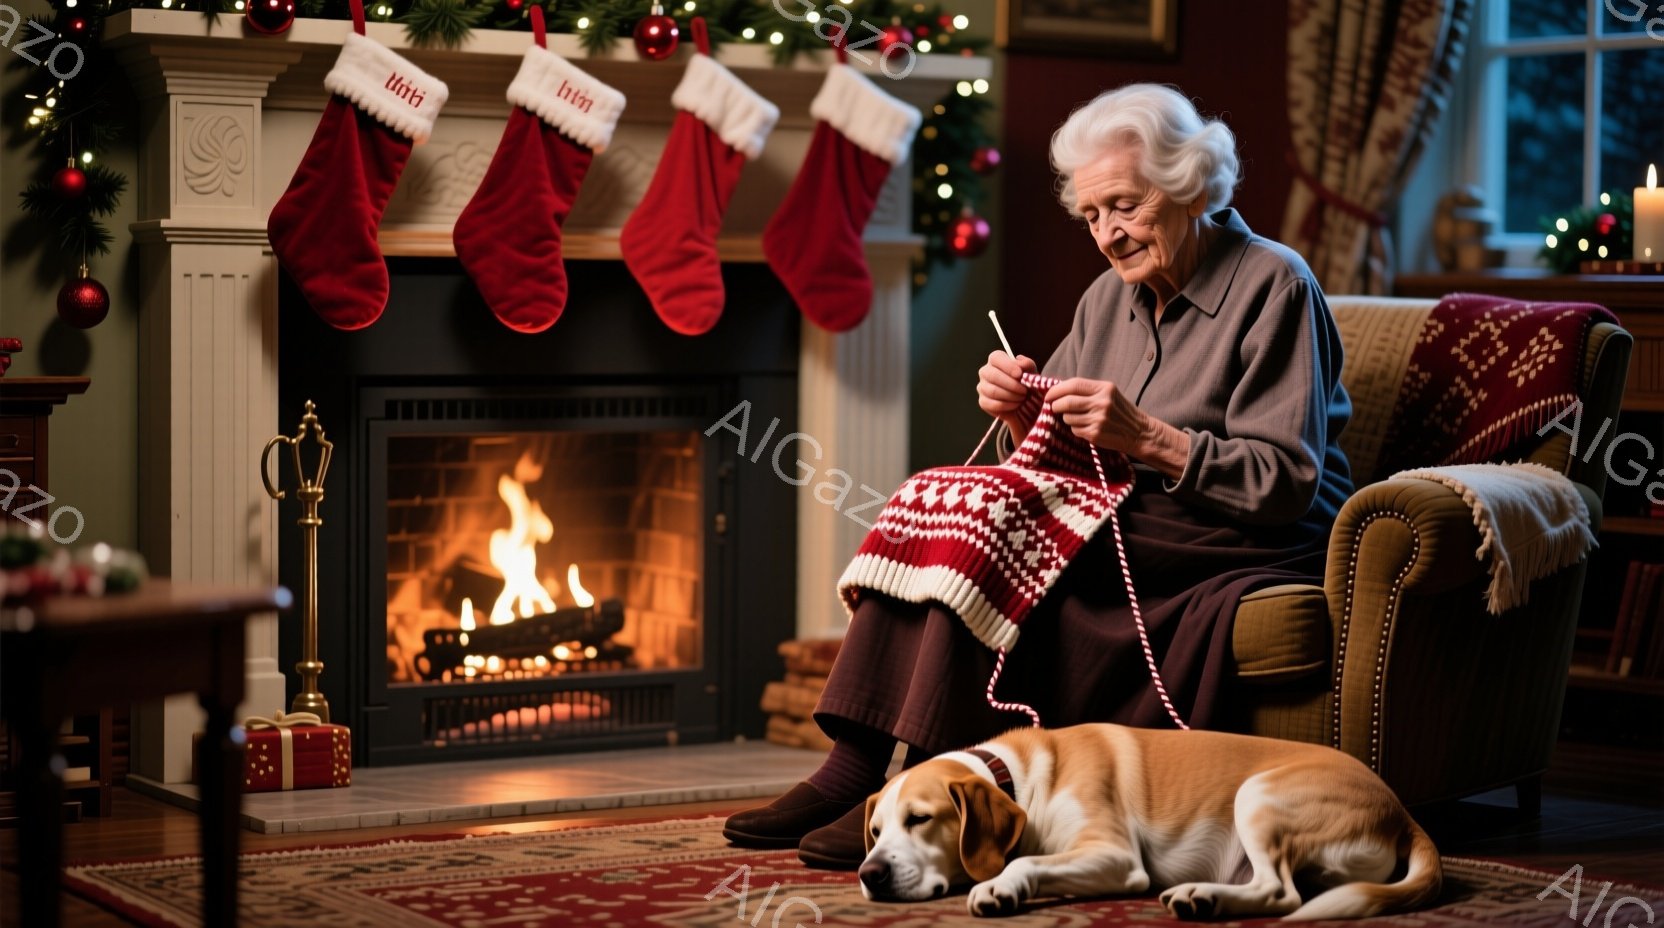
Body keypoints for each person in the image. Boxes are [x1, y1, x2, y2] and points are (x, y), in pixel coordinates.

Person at [724, 83, 1354, 869]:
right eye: (1091, 215)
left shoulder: (1275, 284)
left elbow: (1285, 481)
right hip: (1128, 517)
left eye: (1124, 206)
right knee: (939, 497)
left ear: (1190, 185)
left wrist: (1147, 437)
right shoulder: (1107, 298)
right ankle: (854, 765)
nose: (1108, 235)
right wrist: (1023, 413)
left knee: (995, 525)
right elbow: (1052, 459)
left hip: (1239, 533)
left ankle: (930, 778)